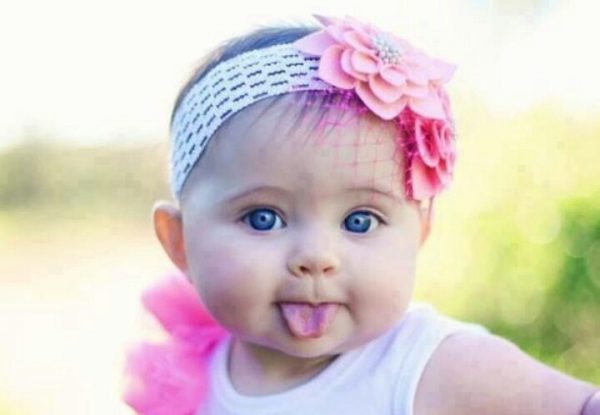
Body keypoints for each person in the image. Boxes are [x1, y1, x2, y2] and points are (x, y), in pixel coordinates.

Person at [122, 15, 600, 415]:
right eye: (264, 217)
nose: (316, 257)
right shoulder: (192, 376)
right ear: (179, 241)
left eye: (360, 221)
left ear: (419, 232)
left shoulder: (435, 367)